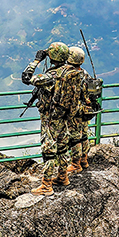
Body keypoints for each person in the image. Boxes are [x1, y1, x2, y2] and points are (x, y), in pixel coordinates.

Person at [21, 42, 70, 196]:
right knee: (62, 147)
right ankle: (63, 176)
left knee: (48, 150)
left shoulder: (49, 76)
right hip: (66, 115)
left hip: (50, 117)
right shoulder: (73, 72)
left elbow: (26, 78)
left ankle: (46, 185)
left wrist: (36, 60)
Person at [64, 46, 102, 175]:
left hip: (75, 111)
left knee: (74, 137)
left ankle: (75, 164)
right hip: (86, 110)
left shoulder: (70, 75)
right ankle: (84, 160)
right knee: (84, 135)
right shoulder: (85, 73)